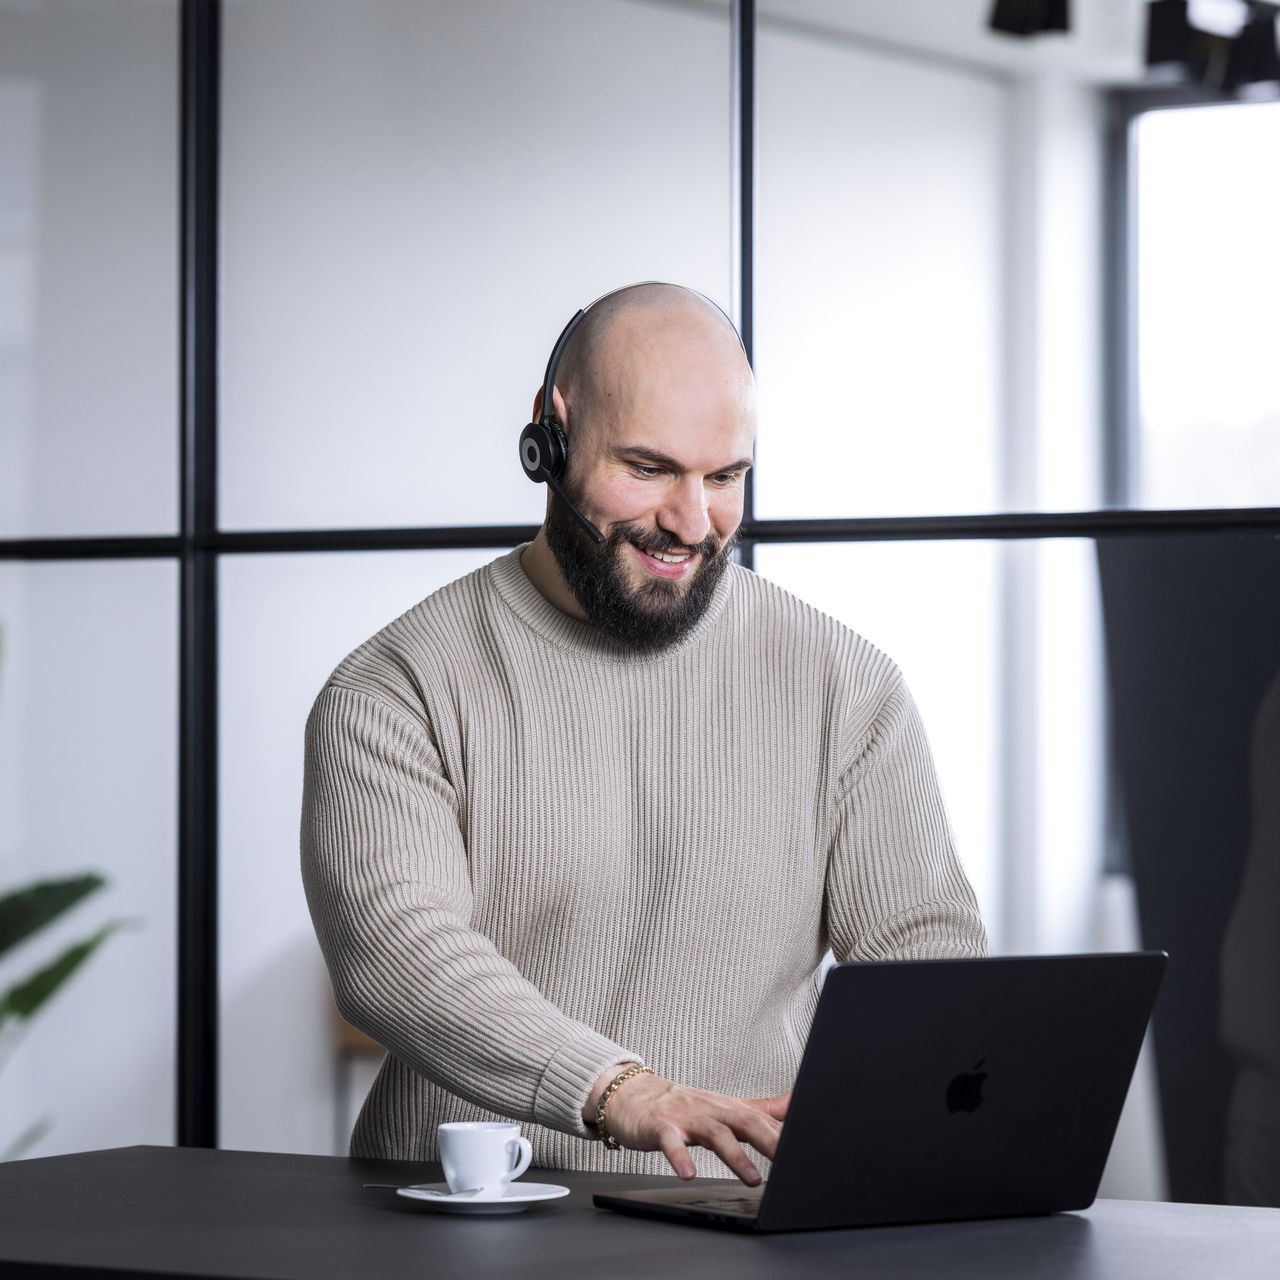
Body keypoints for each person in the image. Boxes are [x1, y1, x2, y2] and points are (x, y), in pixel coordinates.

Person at [300, 282, 987, 1185]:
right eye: (650, 469)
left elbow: (926, 967)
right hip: (458, 1219)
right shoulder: (398, 685)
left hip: (742, 1225)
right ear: (553, 433)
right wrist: (622, 1091)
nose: (691, 523)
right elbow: (395, 946)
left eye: (726, 477)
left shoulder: (846, 683)